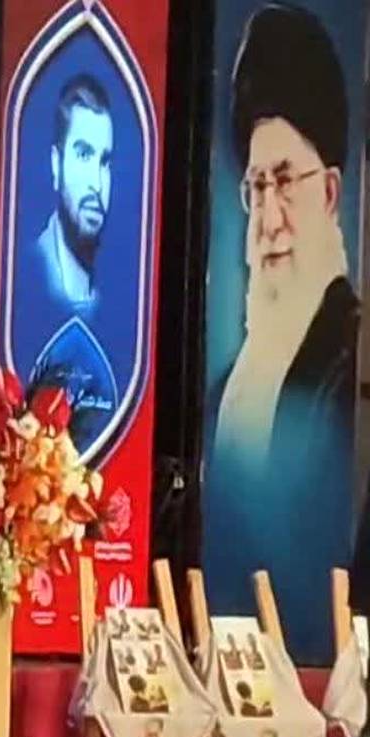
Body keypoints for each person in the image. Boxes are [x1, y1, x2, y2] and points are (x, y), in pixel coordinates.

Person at [207, 4, 359, 662]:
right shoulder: (227, 390)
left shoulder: (350, 362)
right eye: (256, 186)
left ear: (329, 194)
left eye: (285, 181)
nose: (268, 220)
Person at [33, 74, 113, 315]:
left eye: (104, 162)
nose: (97, 185)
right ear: (56, 165)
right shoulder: (29, 274)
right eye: (84, 155)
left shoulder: (113, 291)